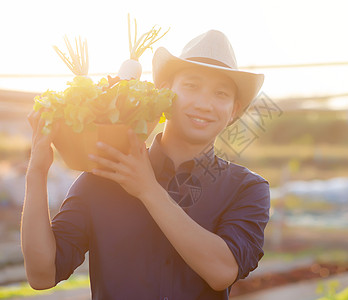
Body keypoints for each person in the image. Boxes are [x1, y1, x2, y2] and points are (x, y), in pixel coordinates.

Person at [21, 29, 270, 300]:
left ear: (234, 110)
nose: (204, 104)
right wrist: (36, 172)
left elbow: (222, 270)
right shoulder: (104, 176)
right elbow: (41, 275)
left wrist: (148, 190)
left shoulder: (247, 189)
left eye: (221, 94)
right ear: (165, 93)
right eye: (191, 86)